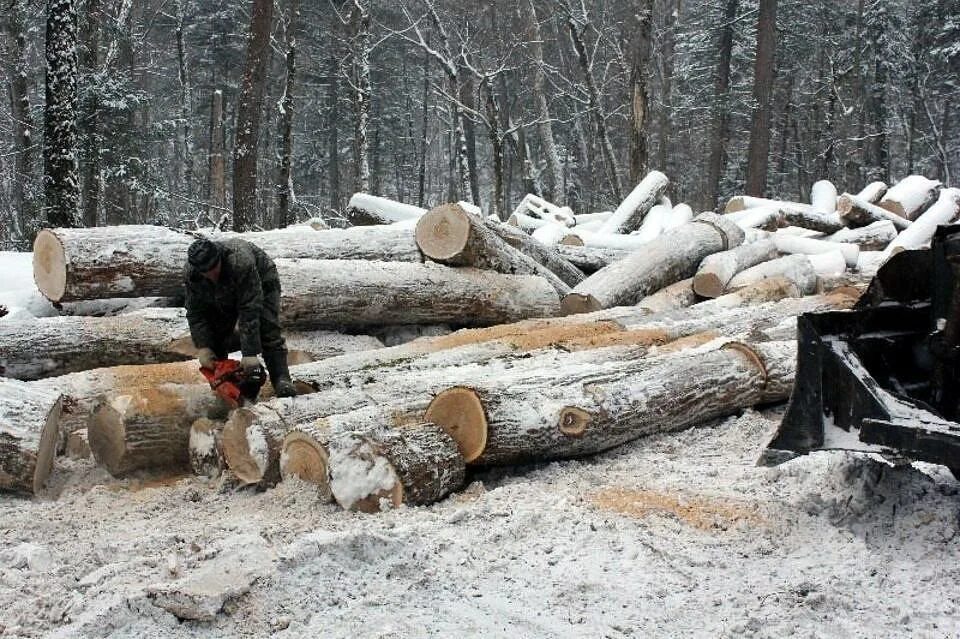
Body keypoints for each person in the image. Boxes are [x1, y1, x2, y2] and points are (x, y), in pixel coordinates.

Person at [184, 237, 297, 398]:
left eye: (213, 268)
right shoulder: (192, 274)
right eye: (206, 272)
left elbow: (250, 308)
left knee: (267, 326)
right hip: (221, 290)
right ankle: (226, 385)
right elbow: (196, 312)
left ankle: (282, 379)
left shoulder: (240, 261)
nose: (211, 274)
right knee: (216, 330)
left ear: (219, 258)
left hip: (262, 278)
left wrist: (249, 354)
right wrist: (204, 346)